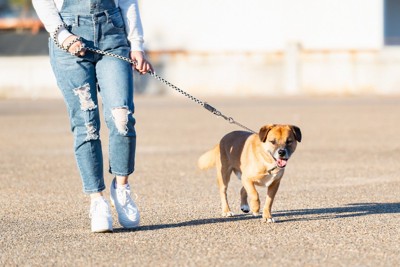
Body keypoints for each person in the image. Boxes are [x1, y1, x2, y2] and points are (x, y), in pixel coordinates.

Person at [32, 0, 153, 233]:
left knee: (122, 117)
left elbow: (128, 1)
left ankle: (121, 188)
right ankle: (97, 200)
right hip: (69, 36)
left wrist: (136, 45)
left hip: (113, 36)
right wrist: (62, 34)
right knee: (86, 124)